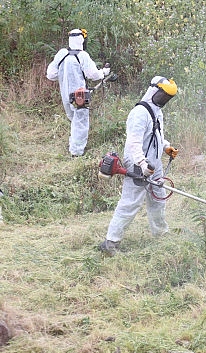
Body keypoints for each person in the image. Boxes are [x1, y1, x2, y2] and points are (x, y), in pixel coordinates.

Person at [99, 76, 179, 256]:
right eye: (162, 96)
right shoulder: (139, 113)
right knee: (130, 203)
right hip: (137, 164)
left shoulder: (157, 111)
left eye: (167, 98)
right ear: (153, 91)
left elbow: (156, 136)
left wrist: (166, 147)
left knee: (158, 199)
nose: (164, 100)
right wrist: (142, 164)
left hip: (154, 164)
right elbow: (134, 143)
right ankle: (111, 242)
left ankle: (160, 232)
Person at [46, 28, 110, 157]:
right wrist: (104, 72)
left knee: (74, 120)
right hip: (79, 95)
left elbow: (51, 75)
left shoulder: (62, 54)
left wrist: (65, 75)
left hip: (65, 95)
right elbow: (93, 74)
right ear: (82, 40)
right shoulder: (82, 56)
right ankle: (76, 153)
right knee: (80, 122)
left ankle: (73, 145)